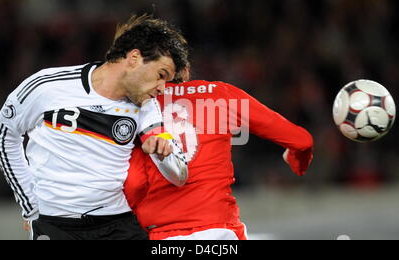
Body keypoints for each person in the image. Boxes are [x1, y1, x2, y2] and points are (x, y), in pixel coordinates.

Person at [0, 14, 189, 240]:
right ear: (134, 58)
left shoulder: (147, 106)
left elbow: (179, 175)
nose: (162, 88)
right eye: (161, 75)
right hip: (56, 224)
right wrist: (30, 206)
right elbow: (1, 134)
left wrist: (164, 151)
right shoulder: (47, 85)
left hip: (117, 222)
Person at [124, 73, 314, 240]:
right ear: (185, 70)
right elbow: (302, 141)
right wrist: (297, 159)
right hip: (220, 230)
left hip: (160, 234)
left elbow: (133, 183)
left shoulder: (131, 109)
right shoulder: (219, 93)